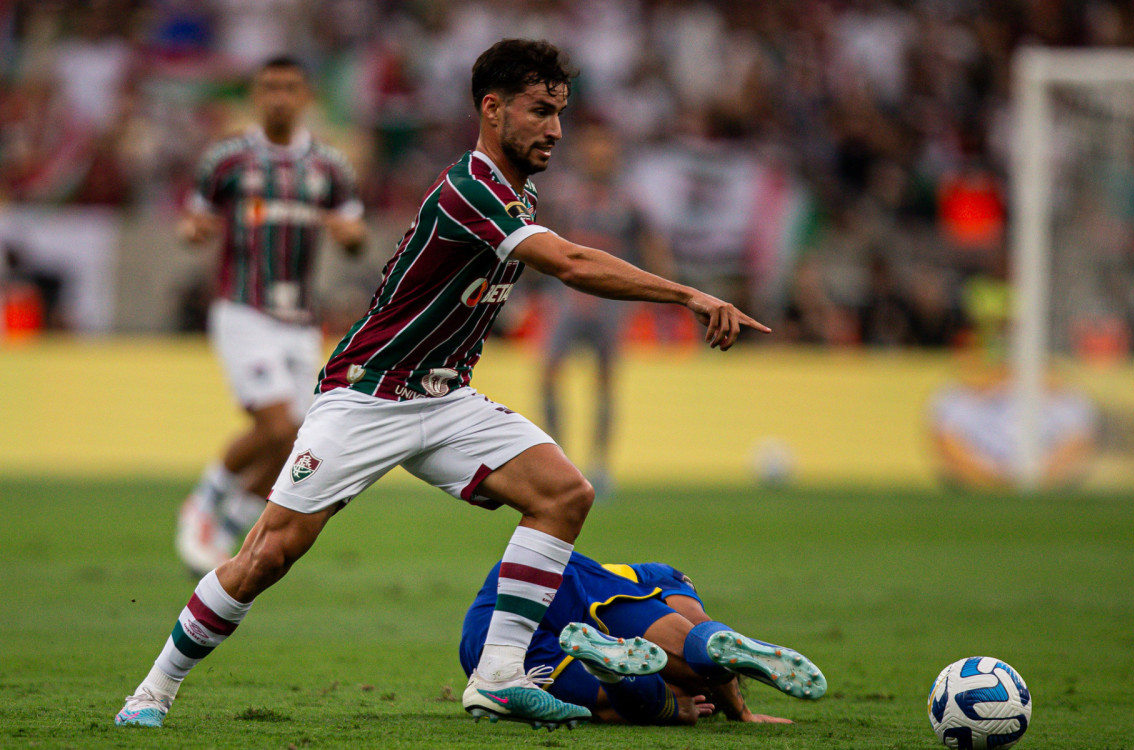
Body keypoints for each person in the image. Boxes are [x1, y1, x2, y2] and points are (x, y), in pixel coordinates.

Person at [115, 38, 768, 731]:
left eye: (561, 113)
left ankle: (498, 678)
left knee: (564, 493)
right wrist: (688, 295)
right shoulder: (472, 186)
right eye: (540, 110)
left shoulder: (522, 190)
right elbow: (571, 263)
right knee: (269, 554)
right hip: (368, 394)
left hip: (444, 397)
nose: (554, 128)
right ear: (492, 108)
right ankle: (151, 691)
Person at [175, 55, 367, 576]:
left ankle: (234, 517)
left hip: (300, 318)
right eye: (269, 88)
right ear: (256, 97)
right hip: (243, 308)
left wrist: (351, 238)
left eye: (290, 86)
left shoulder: (331, 167)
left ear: (306, 97)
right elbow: (194, 216)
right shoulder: (228, 160)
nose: (279, 96)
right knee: (276, 422)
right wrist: (193, 230)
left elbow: (354, 233)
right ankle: (205, 501)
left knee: (299, 436)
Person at [460, 552, 827, 726]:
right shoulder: (664, 576)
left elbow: (700, 628)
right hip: (566, 583)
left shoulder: (654, 575)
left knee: (604, 707)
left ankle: (611, 672)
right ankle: (615, 675)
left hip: (496, 616)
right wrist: (740, 712)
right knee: (692, 663)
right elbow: (700, 626)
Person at [538, 120, 672, 494]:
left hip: (610, 304)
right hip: (564, 299)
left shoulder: (628, 201)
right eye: (593, 146)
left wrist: (661, 292)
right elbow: (536, 239)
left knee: (605, 382)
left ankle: (599, 465)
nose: (599, 154)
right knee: (549, 373)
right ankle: (557, 459)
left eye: (605, 147)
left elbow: (652, 245)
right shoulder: (563, 195)